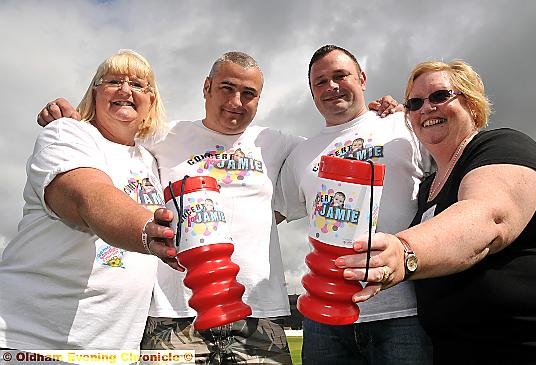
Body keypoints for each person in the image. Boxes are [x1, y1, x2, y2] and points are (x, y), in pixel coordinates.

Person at [36, 50, 399, 364]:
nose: (236, 102)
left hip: (260, 314)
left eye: (249, 93)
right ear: (207, 87)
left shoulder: (280, 144)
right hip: (175, 315)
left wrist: (379, 115)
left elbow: (333, 143)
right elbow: (113, 129)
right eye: (226, 88)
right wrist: (74, 120)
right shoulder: (163, 136)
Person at [337, 59, 536, 364]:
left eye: (439, 96)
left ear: (473, 105)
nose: (426, 108)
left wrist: (405, 251)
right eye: (415, 102)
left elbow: (488, 216)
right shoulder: (427, 186)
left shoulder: (503, 146)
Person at [0, 49, 179, 353]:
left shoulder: (152, 161)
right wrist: (149, 230)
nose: (125, 90)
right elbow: (87, 195)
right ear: (94, 93)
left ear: (151, 101)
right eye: (112, 81)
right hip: (32, 341)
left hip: (115, 348)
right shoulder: (66, 133)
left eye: (138, 85)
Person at [275, 45, 433, 365]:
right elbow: (267, 216)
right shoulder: (302, 155)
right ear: (311, 92)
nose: (331, 86)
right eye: (320, 82)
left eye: (340, 76)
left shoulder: (406, 125)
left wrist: (411, 109)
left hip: (405, 311)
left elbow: (458, 164)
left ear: (362, 79)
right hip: (325, 317)